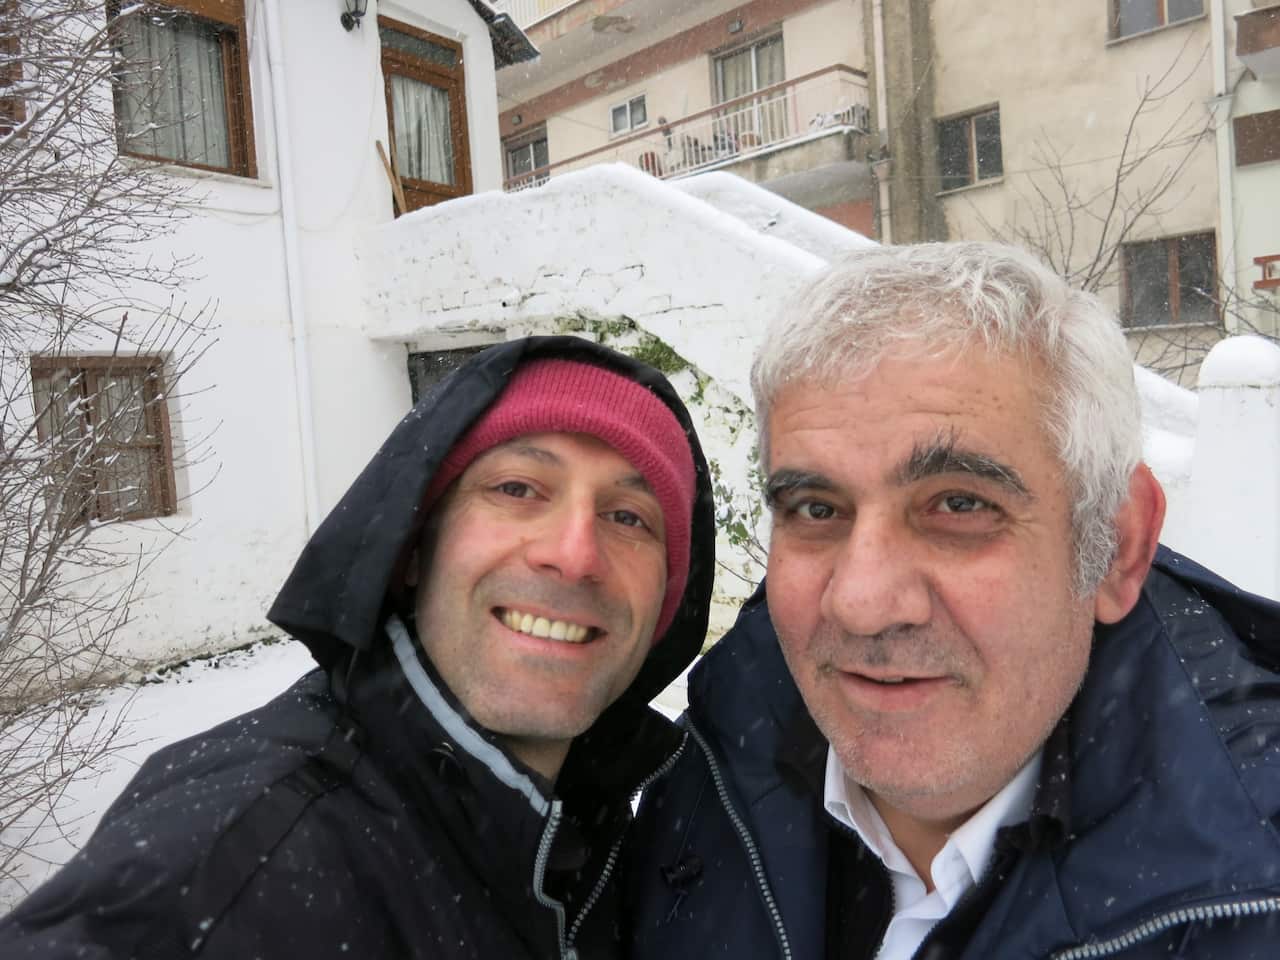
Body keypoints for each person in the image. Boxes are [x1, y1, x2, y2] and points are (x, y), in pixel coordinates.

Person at [623, 243, 1280, 959]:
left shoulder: (1251, 894)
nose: (863, 603)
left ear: (1116, 549)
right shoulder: (705, 776)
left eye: (959, 504)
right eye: (816, 508)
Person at [0, 336, 715, 959]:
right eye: (519, 487)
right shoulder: (245, 863)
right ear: (412, 550)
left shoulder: (612, 844)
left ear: (661, 608)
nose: (575, 554)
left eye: (629, 516)